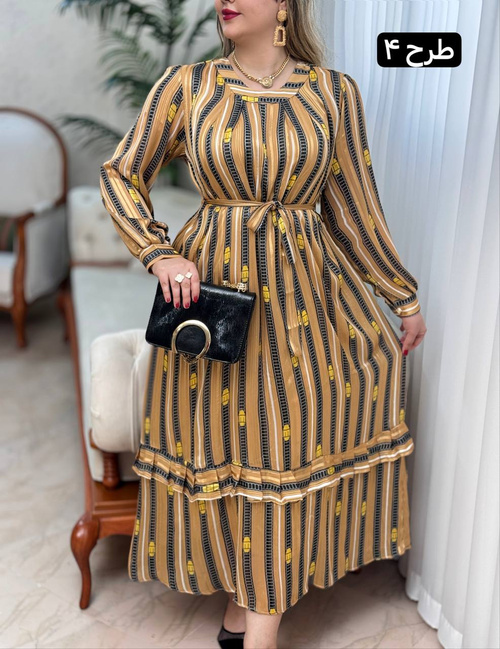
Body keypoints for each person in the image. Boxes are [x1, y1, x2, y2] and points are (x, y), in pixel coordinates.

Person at [99, 0, 428, 647]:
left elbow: (354, 206)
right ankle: (245, 613)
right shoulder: (187, 86)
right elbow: (121, 175)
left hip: (308, 297)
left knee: (283, 448)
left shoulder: (334, 93)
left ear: (283, 3)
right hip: (215, 297)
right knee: (230, 448)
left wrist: (402, 295)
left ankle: (256, 631)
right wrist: (159, 252)